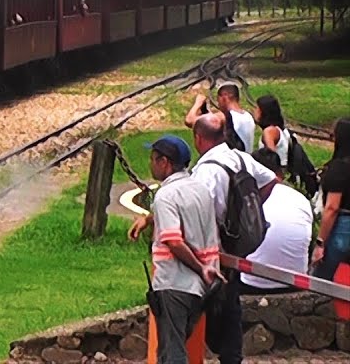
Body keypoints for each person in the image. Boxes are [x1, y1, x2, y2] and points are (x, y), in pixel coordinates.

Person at [132, 115, 276, 364]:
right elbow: (271, 179)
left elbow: (175, 236)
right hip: (224, 259)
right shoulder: (239, 158)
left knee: (174, 346)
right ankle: (231, 358)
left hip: (186, 274)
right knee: (229, 313)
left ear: (198, 138)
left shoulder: (205, 172)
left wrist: (201, 265)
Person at [137, 135, 221, 364]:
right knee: (170, 350)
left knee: (172, 354)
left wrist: (200, 267)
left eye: (153, 159)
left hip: (175, 283)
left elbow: (173, 241)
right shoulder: (200, 189)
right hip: (201, 289)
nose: (150, 164)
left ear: (164, 162)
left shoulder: (165, 195)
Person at [241, 149, 311, 294]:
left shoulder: (249, 199)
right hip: (295, 282)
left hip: (252, 282)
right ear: (281, 173)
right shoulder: (300, 199)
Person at [314, 118, 350, 279]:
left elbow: (332, 207)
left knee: (324, 279)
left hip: (342, 227)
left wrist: (320, 242)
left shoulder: (339, 168)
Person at [184, 83, 255, 153]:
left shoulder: (226, 117)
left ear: (224, 98)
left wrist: (198, 103)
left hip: (231, 160)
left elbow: (189, 120)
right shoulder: (248, 116)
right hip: (245, 158)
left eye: (218, 100)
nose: (218, 104)